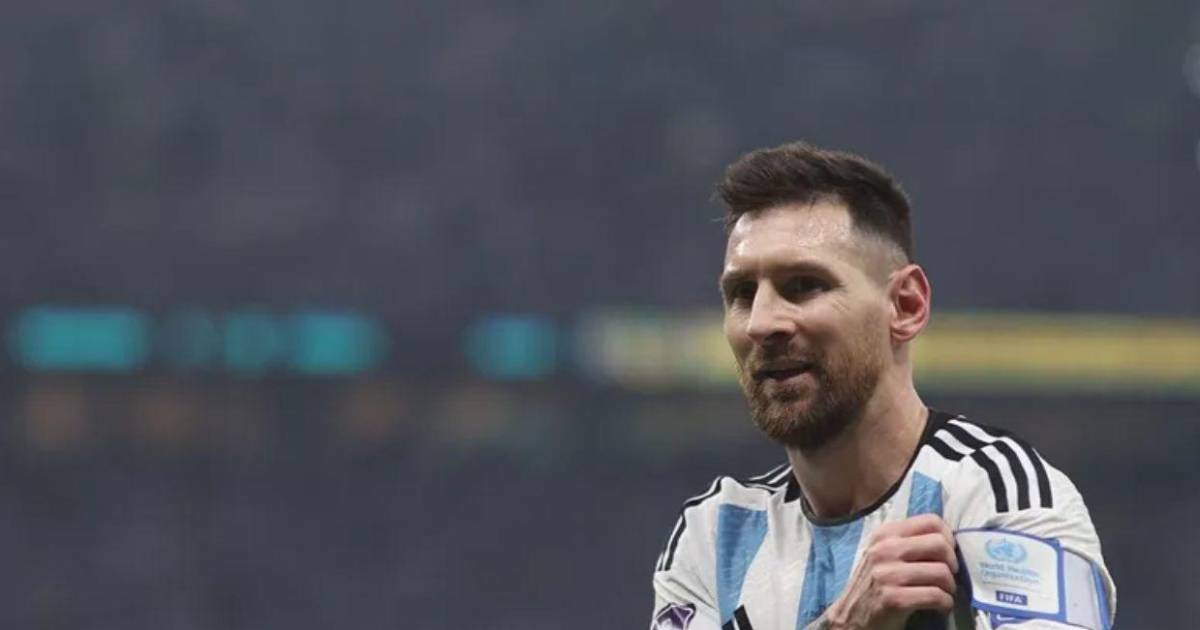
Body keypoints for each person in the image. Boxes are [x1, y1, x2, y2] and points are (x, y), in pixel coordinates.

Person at [649, 142, 1116, 630]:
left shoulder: (1000, 494)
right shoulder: (715, 533)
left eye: (804, 285)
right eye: (742, 294)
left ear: (906, 306)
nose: (761, 323)